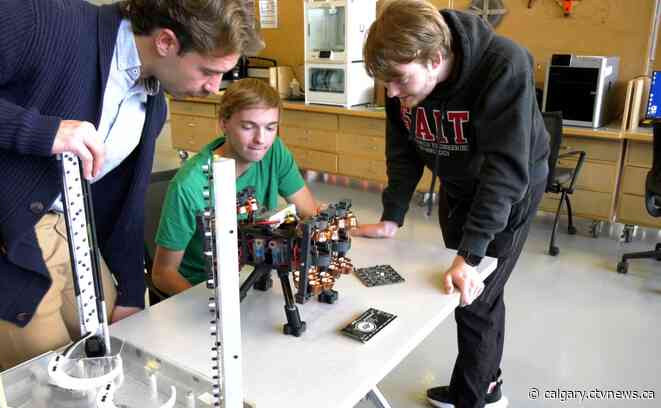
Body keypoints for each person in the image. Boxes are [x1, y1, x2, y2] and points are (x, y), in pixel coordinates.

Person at [0, 0, 262, 369]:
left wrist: (129, 286)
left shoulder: (152, 99)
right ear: (166, 42)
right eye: (208, 71)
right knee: (53, 376)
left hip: (70, 228)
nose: (214, 88)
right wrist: (43, 132)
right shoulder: (41, 21)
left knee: (122, 351)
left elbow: (120, 199)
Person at [357, 1, 550, 407]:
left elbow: (505, 171)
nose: (391, 92)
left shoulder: (503, 65)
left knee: (474, 295)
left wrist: (471, 251)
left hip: (510, 189)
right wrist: (392, 215)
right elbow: (403, 149)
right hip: (457, 181)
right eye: (383, 81)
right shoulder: (403, 77)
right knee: (469, 292)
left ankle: (474, 395)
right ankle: (485, 380)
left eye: (398, 80)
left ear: (436, 58)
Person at [152, 78, 320, 295]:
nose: (261, 139)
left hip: (256, 278)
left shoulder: (274, 151)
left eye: (270, 127)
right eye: (248, 127)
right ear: (223, 123)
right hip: (204, 290)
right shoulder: (189, 186)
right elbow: (162, 274)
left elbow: (309, 213)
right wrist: (217, 312)